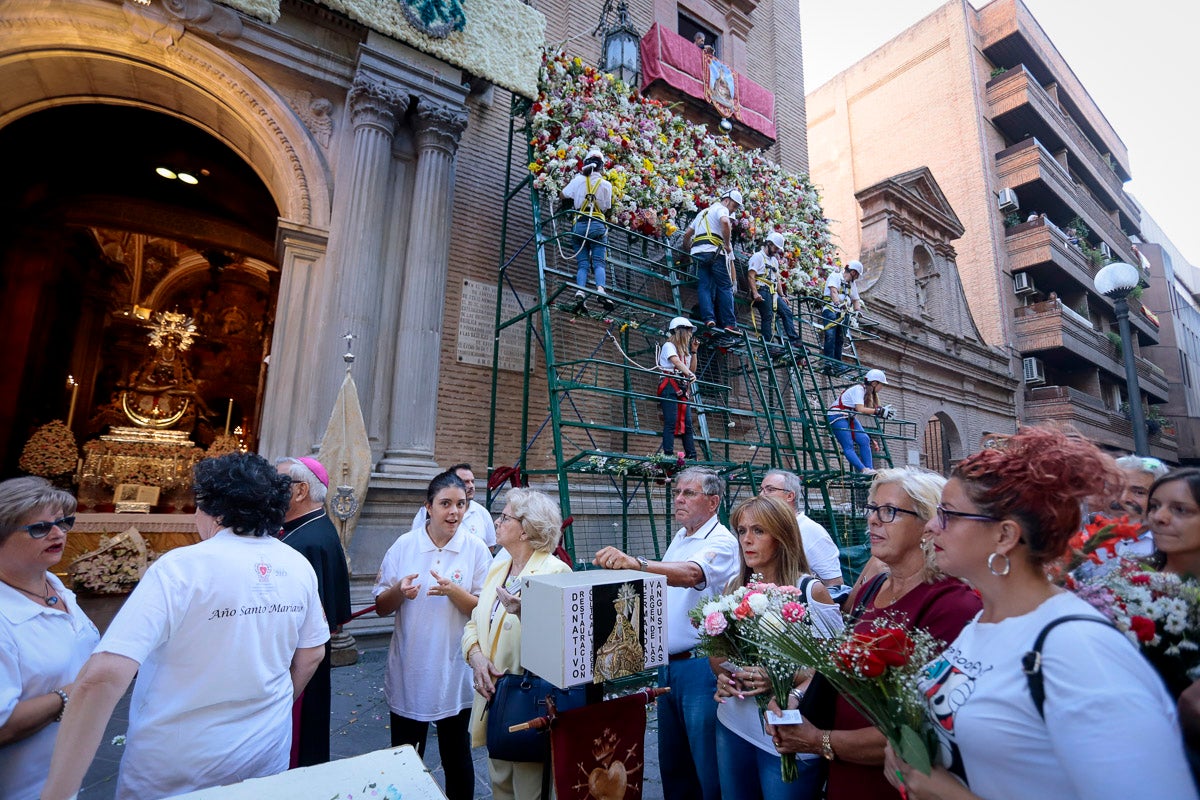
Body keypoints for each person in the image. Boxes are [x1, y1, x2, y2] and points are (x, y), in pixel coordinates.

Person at [886, 427, 1196, 800]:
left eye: (948, 513)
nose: (932, 526)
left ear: (1005, 536)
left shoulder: (1081, 651)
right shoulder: (984, 621)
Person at [43, 452, 329, 800]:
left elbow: (105, 674)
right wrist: (277, 704)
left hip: (178, 762)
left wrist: (58, 791)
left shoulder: (180, 568)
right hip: (263, 752)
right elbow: (312, 653)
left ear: (214, 511)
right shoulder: (296, 565)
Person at [768, 467, 981, 800]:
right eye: (872, 510)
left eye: (889, 512)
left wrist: (817, 740)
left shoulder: (952, 604)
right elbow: (842, 670)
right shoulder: (874, 587)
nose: (872, 521)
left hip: (896, 783)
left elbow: (925, 725)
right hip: (843, 776)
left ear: (927, 524)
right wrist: (794, 697)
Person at [593, 466, 740, 800]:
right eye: (677, 492)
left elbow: (690, 574)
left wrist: (636, 562)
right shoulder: (682, 536)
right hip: (668, 666)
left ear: (713, 501)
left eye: (689, 493)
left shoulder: (722, 541)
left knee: (706, 767)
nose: (678, 499)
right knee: (673, 765)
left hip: (701, 667)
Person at [713, 495, 843, 800]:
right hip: (732, 723)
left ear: (782, 537)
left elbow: (834, 669)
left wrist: (785, 681)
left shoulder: (810, 591)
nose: (747, 540)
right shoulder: (735, 588)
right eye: (742, 531)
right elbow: (718, 659)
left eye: (759, 531)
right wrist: (724, 677)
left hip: (787, 735)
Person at [375, 470, 491, 800]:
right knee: (404, 758)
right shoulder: (405, 545)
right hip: (410, 667)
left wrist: (456, 592)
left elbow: (484, 611)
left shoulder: (476, 550)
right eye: (445, 504)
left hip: (454, 671)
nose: (454, 512)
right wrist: (399, 591)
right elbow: (382, 606)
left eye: (461, 504)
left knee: (457, 758)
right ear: (428, 506)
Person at [464, 488, 572, 800]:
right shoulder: (500, 566)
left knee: (529, 789)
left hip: (531, 705)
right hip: (495, 701)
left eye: (504, 517)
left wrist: (525, 612)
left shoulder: (555, 571)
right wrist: (476, 658)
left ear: (525, 529)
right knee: (500, 787)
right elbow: (474, 622)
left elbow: (564, 641)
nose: (496, 522)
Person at [0, 478, 99, 800]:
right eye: (40, 528)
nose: (58, 534)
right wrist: (72, 695)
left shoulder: (57, 589)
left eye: (63, 523)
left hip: (64, 777)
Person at [274, 455, 352, 767]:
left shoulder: (308, 541)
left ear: (301, 490)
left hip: (297, 663)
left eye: (279, 481)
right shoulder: (310, 529)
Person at [759, 469, 845, 595]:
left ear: (790, 496)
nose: (761, 495)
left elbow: (835, 585)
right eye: (761, 489)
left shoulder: (812, 531)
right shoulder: (768, 528)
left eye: (770, 490)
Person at [682, 189, 743, 334]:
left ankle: (709, 318)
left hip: (698, 253)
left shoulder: (703, 213)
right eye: (734, 206)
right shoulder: (721, 209)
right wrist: (727, 244)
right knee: (725, 286)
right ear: (727, 200)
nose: (733, 210)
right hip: (715, 253)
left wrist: (688, 249)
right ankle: (729, 323)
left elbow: (687, 234)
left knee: (704, 287)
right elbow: (725, 222)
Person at [561, 149, 614, 312]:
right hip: (597, 225)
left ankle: (580, 291)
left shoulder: (578, 180)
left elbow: (563, 195)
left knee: (582, 264)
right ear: (601, 167)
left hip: (579, 226)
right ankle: (600, 290)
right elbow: (606, 206)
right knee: (598, 262)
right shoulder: (606, 185)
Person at [411, 462, 497, 547]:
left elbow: (490, 547)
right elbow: (416, 542)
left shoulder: (482, 513)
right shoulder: (424, 513)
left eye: (472, 481)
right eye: (465, 482)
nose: (471, 486)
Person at [827, 368, 890, 475]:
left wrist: (881, 412)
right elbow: (860, 409)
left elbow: (866, 409)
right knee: (848, 445)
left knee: (864, 439)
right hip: (836, 416)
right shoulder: (859, 389)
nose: (882, 387)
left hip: (848, 416)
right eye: (881, 384)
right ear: (874, 383)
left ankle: (869, 469)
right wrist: (877, 411)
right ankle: (863, 469)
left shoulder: (866, 392)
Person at [748, 232, 802, 349]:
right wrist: (755, 293)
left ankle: (794, 340)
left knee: (786, 312)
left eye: (778, 248)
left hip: (772, 293)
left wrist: (782, 295)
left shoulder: (774, 261)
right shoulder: (758, 257)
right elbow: (751, 276)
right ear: (768, 243)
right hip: (761, 289)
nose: (776, 251)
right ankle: (769, 346)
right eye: (775, 248)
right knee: (767, 315)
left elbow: (776, 278)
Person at [658, 316, 701, 460]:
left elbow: (691, 370)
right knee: (671, 421)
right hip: (669, 386)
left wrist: (694, 352)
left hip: (681, 388)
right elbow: (675, 362)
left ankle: (692, 456)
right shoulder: (668, 346)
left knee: (688, 424)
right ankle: (668, 456)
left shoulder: (685, 352)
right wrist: (688, 373)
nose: (690, 335)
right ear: (679, 331)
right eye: (688, 331)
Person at [821, 261, 861, 367]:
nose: (856, 278)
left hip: (842, 314)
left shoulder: (851, 284)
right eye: (857, 275)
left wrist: (857, 311)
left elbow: (856, 299)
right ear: (853, 272)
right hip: (830, 309)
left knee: (840, 338)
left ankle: (837, 363)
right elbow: (833, 291)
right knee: (830, 335)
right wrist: (838, 303)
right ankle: (828, 361)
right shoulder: (836, 276)